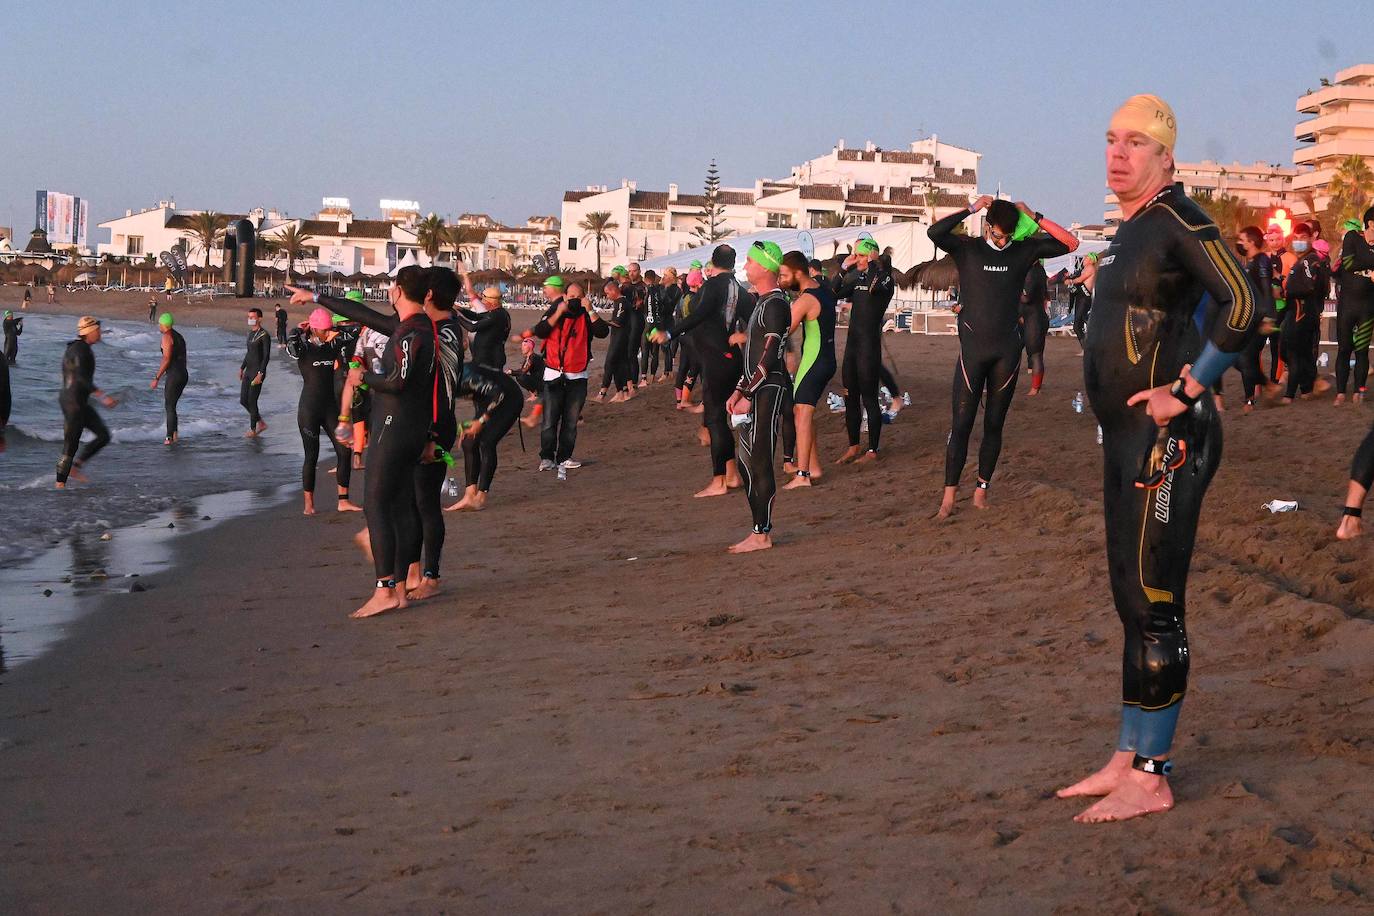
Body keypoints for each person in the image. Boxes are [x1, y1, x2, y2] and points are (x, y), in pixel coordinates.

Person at [1057, 94, 1257, 824]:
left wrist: (1188, 387)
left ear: (1166, 157)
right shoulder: (1129, 230)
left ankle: (1153, 773)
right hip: (1127, 438)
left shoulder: (1179, 220)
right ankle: (1126, 754)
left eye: (1136, 143)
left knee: (1156, 602)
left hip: (1171, 442)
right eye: (1111, 140)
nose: (1118, 154)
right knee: (1130, 599)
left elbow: (1244, 302)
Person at [294, 266, 437, 617]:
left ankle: (385, 588)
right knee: (401, 505)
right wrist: (315, 297)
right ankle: (399, 587)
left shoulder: (410, 334)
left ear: (399, 291)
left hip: (395, 424)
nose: (389, 291)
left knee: (376, 505)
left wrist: (363, 378)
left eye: (391, 286)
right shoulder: (416, 327)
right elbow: (363, 315)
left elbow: (398, 382)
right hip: (413, 426)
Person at [930, 196, 1076, 517]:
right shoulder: (968, 249)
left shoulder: (1023, 251)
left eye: (1008, 236)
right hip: (973, 354)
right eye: (998, 235)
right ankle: (948, 499)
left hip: (1006, 354)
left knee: (994, 425)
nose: (1003, 241)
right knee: (962, 425)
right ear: (986, 226)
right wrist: (970, 208)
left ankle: (981, 491)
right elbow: (935, 233)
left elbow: (1070, 242)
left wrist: (1033, 215)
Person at [649, 245, 751, 496]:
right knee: (719, 420)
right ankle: (732, 475)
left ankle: (719, 482)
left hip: (716, 360)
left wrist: (670, 332)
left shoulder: (712, 286)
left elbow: (700, 315)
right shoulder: (740, 289)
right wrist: (746, 335)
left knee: (715, 419)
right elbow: (756, 316)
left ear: (713, 262)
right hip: (731, 359)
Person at [724, 241, 792, 553]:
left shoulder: (777, 304)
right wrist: (740, 388)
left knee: (760, 459)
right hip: (756, 388)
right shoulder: (761, 303)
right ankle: (757, 529)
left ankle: (762, 533)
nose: (746, 266)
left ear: (765, 267)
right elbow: (752, 358)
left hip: (770, 389)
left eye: (750, 261)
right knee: (746, 460)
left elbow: (771, 355)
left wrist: (749, 392)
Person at [525, 277, 609, 472]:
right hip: (554, 374)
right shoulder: (555, 311)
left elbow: (603, 332)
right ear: (564, 296)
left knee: (570, 422)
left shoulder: (587, 315)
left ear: (584, 298)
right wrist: (559, 312)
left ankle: (564, 457)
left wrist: (590, 309)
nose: (574, 301)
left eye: (578, 298)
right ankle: (546, 458)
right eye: (571, 297)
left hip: (577, 376)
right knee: (549, 420)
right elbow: (541, 331)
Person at [286, 308, 361, 516]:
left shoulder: (332, 345)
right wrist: (297, 330)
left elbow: (355, 331)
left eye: (329, 329)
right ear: (313, 328)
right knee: (312, 456)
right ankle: (309, 504)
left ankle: (343, 500)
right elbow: (290, 346)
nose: (327, 334)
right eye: (324, 330)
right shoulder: (302, 348)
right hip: (309, 410)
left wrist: (334, 328)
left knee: (344, 451)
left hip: (330, 408)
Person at [832, 238, 895, 463]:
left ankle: (873, 450)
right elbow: (832, 293)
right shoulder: (856, 278)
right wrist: (843, 269)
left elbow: (876, 284)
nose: (855, 258)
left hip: (869, 347)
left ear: (871, 255)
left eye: (859, 254)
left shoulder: (884, 278)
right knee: (850, 397)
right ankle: (853, 445)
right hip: (852, 346)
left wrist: (873, 263)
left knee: (869, 398)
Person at [778, 250, 836, 489]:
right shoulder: (823, 290)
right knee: (804, 413)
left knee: (801, 413)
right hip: (825, 360)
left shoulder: (806, 300)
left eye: (784, 275)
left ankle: (803, 474)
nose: (781, 279)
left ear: (798, 273)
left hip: (814, 362)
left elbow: (783, 330)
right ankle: (813, 466)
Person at [446, 361, 523, 512]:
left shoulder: (467, 378)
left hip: (508, 398)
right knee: (469, 442)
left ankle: (480, 498)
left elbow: (498, 394)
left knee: (487, 442)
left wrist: (480, 421)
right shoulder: (440, 383)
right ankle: (470, 495)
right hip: (486, 399)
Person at [56, 316, 118, 488]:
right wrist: (103, 396)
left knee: (103, 435)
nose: (100, 332)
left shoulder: (76, 347)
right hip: (73, 402)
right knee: (70, 446)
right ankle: (59, 486)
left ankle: (75, 468)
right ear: (89, 332)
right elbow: (81, 378)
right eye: (97, 330)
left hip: (76, 400)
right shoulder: (81, 350)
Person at [1280, 223, 1326, 403]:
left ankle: (1289, 394)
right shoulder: (1303, 260)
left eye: (1302, 238)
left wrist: (1287, 292)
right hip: (1304, 312)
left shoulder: (1309, 260)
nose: (1298, 241)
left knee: (1292, 353)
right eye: (1296, 238)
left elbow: (1309, 286)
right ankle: (1307, 388)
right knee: (1303, 353)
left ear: (1310, 239)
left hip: (1301, 313)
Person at [1334, 210, 1374, 405]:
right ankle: (1340, 392)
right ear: (1371, 224)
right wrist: (1370, 270)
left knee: (1362, 350)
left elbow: (1354, 263)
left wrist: (1362, 267)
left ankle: (1359, 390)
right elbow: (1348, 264)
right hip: (1347, 306)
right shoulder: (1352, 237)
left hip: (1367, 307)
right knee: (1344, 349)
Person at [457, 265, 512, 370]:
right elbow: (477, 316)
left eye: (484, 301)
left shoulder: (497, 315)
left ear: (493, 302)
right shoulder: (496, 312)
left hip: (490, 359)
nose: (483, 303)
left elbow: (472, 327)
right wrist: (461, 310)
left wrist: (457, 317)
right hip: (486, 357)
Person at [149, 312, 188, 445]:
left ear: (164, 324)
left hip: (174, 374)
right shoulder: (179, 336)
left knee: (169, 405)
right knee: (172, 405)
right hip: (183, 373)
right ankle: (175, 435)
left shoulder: (167, 336)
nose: (159, 326)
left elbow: (166, 358)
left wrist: (156, 377)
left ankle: (168, 437)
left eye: (160, 324)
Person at [595, 279, 633, 402]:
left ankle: (602, 393)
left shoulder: (621, 302)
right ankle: (622, 392)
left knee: (609, 363)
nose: (607, 296)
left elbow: (617, 322)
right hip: (618, 337)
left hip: (620, 338)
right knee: (619, 365)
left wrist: (600, 321)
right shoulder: (618, 302)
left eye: (607, 293)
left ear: (613, 290)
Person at [239, 308, 271, 437]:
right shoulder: (250, 334)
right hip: (248, 371)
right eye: (249, 316)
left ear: (259, 318)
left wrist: (260, 373)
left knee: (252, 401)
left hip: (258, 372)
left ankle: (253, 429)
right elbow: (249, 353)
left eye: (253, 317)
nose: (250, 319)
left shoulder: (264, 335)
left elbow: (266, 356)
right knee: (243, 400)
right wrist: (242, 368)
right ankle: (261, 422)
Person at [1020, 259, 1050, 395]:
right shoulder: (1039, 270)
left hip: (1034, 318)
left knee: (1036, 354)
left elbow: (1027, 298)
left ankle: (1035, 388)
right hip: (1034, 316)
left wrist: (1013, 290)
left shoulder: (1033, 272)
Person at [623, 262, 648, 388]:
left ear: (639, 271)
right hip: (627, 322)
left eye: (634, 271)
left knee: (631, 352)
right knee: (626, 353)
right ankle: (628, 380)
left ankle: (633, 381)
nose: (631, 273)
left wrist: (639, 304)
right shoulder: (626, 286)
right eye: (630, 271)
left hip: (638, 321)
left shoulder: (643, 287)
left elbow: (644, 305)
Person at [654, 267, 680, 380]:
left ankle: (667, 372)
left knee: (666, 346)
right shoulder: (663, 287)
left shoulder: (676, 289)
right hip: (660, 318)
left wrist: (663, 289)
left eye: (666, 275)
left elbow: (669, 304)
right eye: (663, 275)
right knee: (659, 347)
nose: (664, 277)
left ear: (672, 277)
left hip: (668, 319)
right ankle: (664, 371)